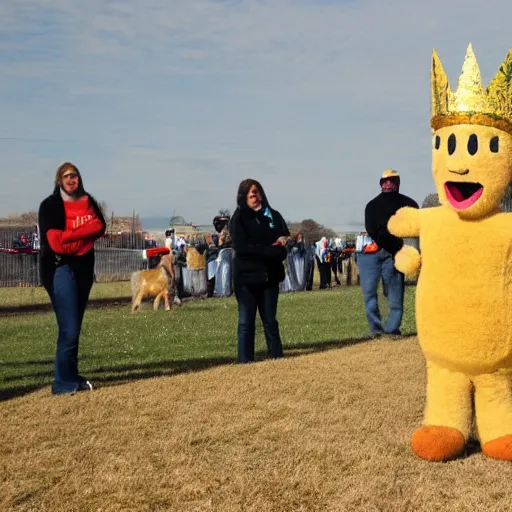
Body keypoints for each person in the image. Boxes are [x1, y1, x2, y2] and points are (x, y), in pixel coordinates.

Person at [38, 162, 106, 394]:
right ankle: (63, 383)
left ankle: (68, 377)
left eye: (75, 175)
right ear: (59, 180)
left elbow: (100, 226)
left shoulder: (88, 201)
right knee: (69, 328)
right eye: (67, 176)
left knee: (74, 324)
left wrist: (70, 236)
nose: (71, 179)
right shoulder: (50, 206)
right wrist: (83, 234)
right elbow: (55, 244)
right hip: (60, 269)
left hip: (84, 269)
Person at [229, 179, 290, 363]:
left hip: (270, 276)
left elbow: (283, 240)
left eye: (256, 192)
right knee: (246, 322)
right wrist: (268, 250)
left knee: (270, 321)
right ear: (243, 197)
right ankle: (245, 360)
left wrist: (279, 247)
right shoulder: (239, 218)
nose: (254, 196)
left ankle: (277, 356)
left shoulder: (273, 215)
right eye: (250, 193)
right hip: (247, 278)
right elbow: (243, 248)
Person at [358, 170, 419, 337]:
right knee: (369, 293)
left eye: (391, 181)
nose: (387, 184)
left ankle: (392, 329)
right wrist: (391, 244)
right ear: (380, 184)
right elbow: (372, 229)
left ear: (398, 183)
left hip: (396, 254)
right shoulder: (372, 205)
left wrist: (402, 250)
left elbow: (414, 228)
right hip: (371, 254)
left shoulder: (409, 204)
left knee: (395, 293)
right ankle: (376, 330)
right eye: (384, 181)